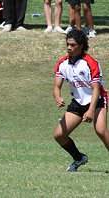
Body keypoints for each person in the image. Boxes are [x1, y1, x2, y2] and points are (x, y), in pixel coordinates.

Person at [53, 28, 109, 172]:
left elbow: (96, 89)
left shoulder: (90, 63)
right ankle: (79, 158)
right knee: (59, 135)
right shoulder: (63, 63)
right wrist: (57, 96)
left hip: (97, 101)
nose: (69, 48)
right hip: (78, 102)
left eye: (73, 45)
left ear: (81, 45)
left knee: (101, 131)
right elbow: (57, 86)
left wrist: (91, 110)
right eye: (68, 44)